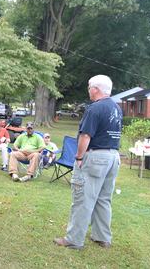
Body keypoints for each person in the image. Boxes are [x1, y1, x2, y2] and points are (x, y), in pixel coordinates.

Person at [54, 75, 122, 250]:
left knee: (83, 199)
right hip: (113, 157)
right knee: (104, 199)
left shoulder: (95, 108)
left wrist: (78, 157)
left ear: (96, 89)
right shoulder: (116, 108)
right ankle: (103, 238)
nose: (88, 89)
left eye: (89, 86)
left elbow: (86, 135)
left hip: (96, 157)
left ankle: (74, 239)